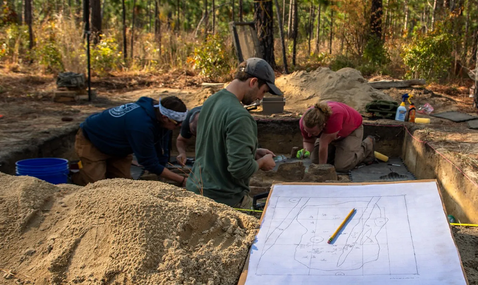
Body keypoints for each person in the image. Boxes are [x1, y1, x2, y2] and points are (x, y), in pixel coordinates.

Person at [187, 58, 282, 208]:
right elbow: (241, 169)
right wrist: (263, 162)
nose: (260, 98)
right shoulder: (239, 116)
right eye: (263, 91)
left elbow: (215, 144)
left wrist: (251, 152)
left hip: (198, 190)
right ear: (253, 82)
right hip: (224, 200)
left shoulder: (211, 101)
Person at [73, 96, 188, 186]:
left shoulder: (161, 115)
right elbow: (149, 163)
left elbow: (162, 146)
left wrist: (163, 167)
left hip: (118, 146)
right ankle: (75, 180)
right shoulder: (141, 126)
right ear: (165, 117)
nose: (179, 125)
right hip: (93, 140)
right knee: (96, 186)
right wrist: (182, 180)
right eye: (177, 123)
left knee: (124, 184)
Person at [299, 101, 374, 172]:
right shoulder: (306, 122)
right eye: (307, 131)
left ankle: (368, 144)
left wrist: (321, 170)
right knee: (315, 160)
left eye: (313, 132)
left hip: (351, 129)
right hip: (332, 134)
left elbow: (323, 146)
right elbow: (308, 140)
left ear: (323, 126)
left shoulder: (334, 117)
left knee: (342, 166)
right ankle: (338, 153)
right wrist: (306, 152)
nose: (309, 134)